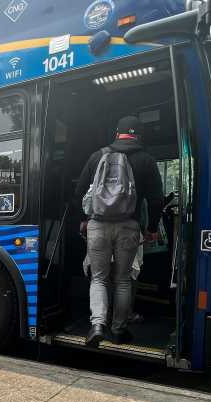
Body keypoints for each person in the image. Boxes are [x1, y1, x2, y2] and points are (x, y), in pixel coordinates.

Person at [74, 116, 164, 346]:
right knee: (123, 280)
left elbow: (78, 191)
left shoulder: (98, 155)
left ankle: (97, 325)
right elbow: (156, 199)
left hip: (98, 224)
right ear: (139, 135)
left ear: (117, 133)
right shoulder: (146, 160)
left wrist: (84, 219)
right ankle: (119, 328)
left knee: (99, 278)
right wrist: (152, 228)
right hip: (129, 226)